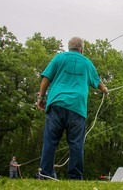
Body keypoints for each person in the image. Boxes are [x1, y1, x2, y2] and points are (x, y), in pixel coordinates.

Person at [37, 37, 108, 180]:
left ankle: (45, 174)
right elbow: (98, 82)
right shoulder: (87, 63)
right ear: (82, 49)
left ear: (69, 47)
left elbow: (46, 78)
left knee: (50, 141)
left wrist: (41, 98)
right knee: (76, 144)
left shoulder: (59, 58)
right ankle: (75, 177)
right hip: (77, 108)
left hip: (56, 104)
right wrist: (105, 90)